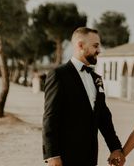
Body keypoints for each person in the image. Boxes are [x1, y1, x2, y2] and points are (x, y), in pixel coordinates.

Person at [42, 27, 125, 166]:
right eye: (95, 46)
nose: (99, 50)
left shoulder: (96, 78)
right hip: (65, 157)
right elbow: (50, 118)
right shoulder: (58, 75)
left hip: (90, 157)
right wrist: (52, 155)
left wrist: (115, 148)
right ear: (80, 45)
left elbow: (103, 117)